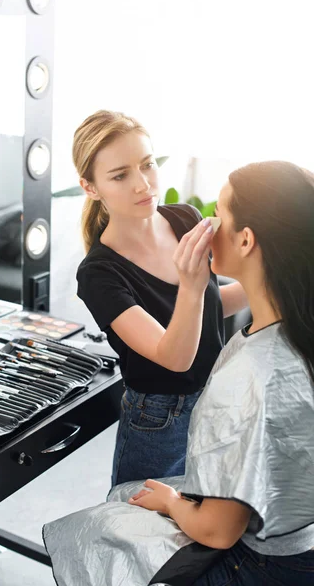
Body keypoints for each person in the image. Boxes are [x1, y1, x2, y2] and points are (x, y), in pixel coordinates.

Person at [42, 161, 314, 586]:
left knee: (99, 532)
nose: (207, 223)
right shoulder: (291, 333)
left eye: (219, 216)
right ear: (91, 187)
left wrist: (172, 502)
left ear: (246, 240)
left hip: (265, 565)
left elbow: (219, 530)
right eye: (119, 174)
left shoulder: (249, 373)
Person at [74, 110, 247, 486]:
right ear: (90, 187)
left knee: (201, 519)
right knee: (139, 527)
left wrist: (272, 277)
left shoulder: (184, 218)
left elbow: (213, 305)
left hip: (213, 397)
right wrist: (190, 283)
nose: (143, 184)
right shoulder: (99, 274)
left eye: (148, 165)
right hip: (159, 418)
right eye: (120, 175)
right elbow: (175, 357)